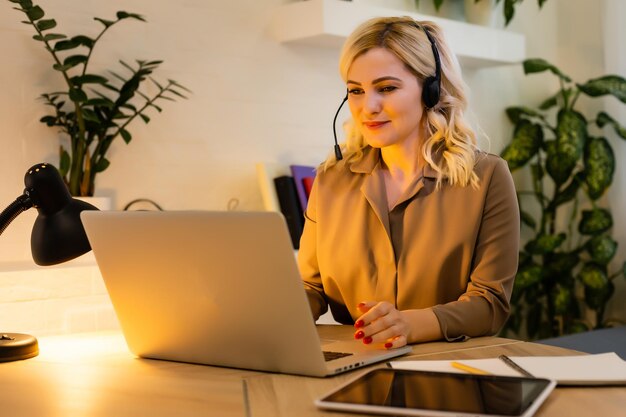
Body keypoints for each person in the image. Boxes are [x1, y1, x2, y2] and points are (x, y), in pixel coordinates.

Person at [297, 16, 520, 349]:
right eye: (355, 91)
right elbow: (311, 288)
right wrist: (271, 312)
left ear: (431, 90)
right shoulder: (331, 180)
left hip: (446, 370)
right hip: (353, 364)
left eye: (386, 88)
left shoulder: (486, 178)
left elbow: (490, 304)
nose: (367, 107)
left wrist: (411, 324)